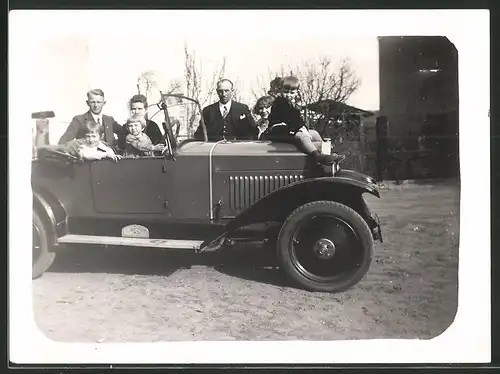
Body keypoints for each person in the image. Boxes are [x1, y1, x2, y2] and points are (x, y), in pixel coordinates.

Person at [263, 76, 345, 166]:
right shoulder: (280, 102)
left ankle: (325, 151)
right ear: (281, 90)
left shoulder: (292, 104)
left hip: (289, 128)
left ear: (296, 93)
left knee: (314, 133)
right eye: (286, 92)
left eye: (292, 92)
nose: (289, 95)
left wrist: (303, 128)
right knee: (302, 136)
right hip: (278, 129)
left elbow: (298, 120)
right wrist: (300, 129)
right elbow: (289, 119)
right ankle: (317, 155)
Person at [58, 89, 125, 151]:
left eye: (99, 102)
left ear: (104, 103)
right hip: (89, 161)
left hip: (110, 160)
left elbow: (124, 133)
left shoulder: (109, 120)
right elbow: (63, 142)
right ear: (87, 103)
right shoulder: (78, 120)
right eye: (92, 102)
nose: (96, 105)